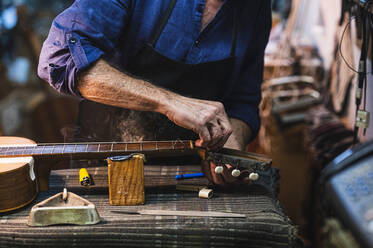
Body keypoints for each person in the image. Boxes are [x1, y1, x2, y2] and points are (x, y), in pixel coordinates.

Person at [38, 0, 271, 186]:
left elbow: (244, 101)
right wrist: (170, 102)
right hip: (104, 167)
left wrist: (232, 141)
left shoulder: (256, 8)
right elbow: (59, 59)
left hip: (192, 177)